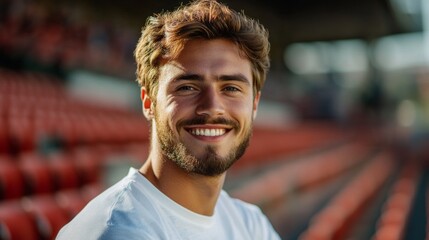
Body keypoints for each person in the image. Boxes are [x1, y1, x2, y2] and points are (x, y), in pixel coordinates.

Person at [57, 0, 280, 239]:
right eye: (187, 87)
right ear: (148, 102)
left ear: (254, 104)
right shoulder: (120, 231)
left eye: (231, 88)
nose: (212, 108)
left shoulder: (250, 223)